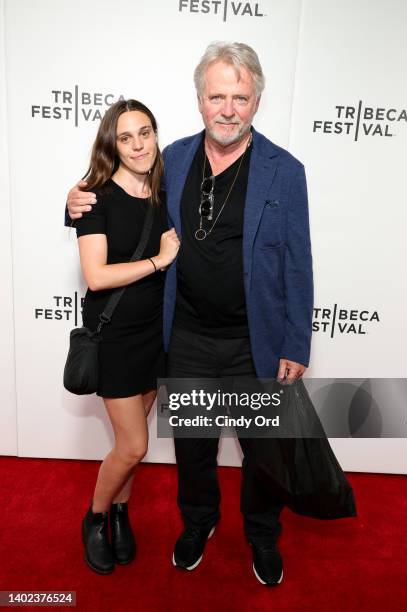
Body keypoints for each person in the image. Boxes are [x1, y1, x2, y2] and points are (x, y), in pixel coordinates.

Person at [66, 42, 313, 586]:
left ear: (257, 101)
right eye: (217, 96)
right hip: (188, 336)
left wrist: (297, 343)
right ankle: (197, 524)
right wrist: (74, 198)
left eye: (240, 98)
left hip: (257, 341)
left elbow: (299, 264)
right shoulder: (171, 160)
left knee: (263, 453)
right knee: (194, 447)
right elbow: (117, 192)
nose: (228, 109)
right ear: (200, 100)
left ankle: (263, 535)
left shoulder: (285, 171)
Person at [70, 99, 180, 575]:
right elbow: (95, 276)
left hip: (155, 335)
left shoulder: (165, 190)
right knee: (133, 445)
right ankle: (95, 517)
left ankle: (120, 511)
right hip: (115, 337)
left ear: (156, 136)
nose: (138, 145)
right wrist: (158, 260)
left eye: (146, 133)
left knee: (129, 443)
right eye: (126, 137)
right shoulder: (93, 196)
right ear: (111, 145)